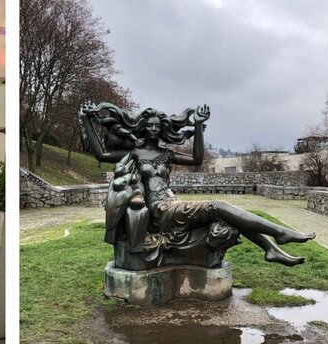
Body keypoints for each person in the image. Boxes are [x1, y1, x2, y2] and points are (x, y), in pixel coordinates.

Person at [81, 102, 315, 266]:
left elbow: (196, 159)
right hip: (159, 212)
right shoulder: (133, 152)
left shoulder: (166, 154)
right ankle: (280, 233)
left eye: (157, 126)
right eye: (149, 125)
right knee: (219, 206)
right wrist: (86, 120)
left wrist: (199, 128)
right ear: (143, 127)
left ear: (163, 129)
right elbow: (101, 154)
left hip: (172, 204)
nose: (153, 129)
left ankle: (271, 249)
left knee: (225, 216)